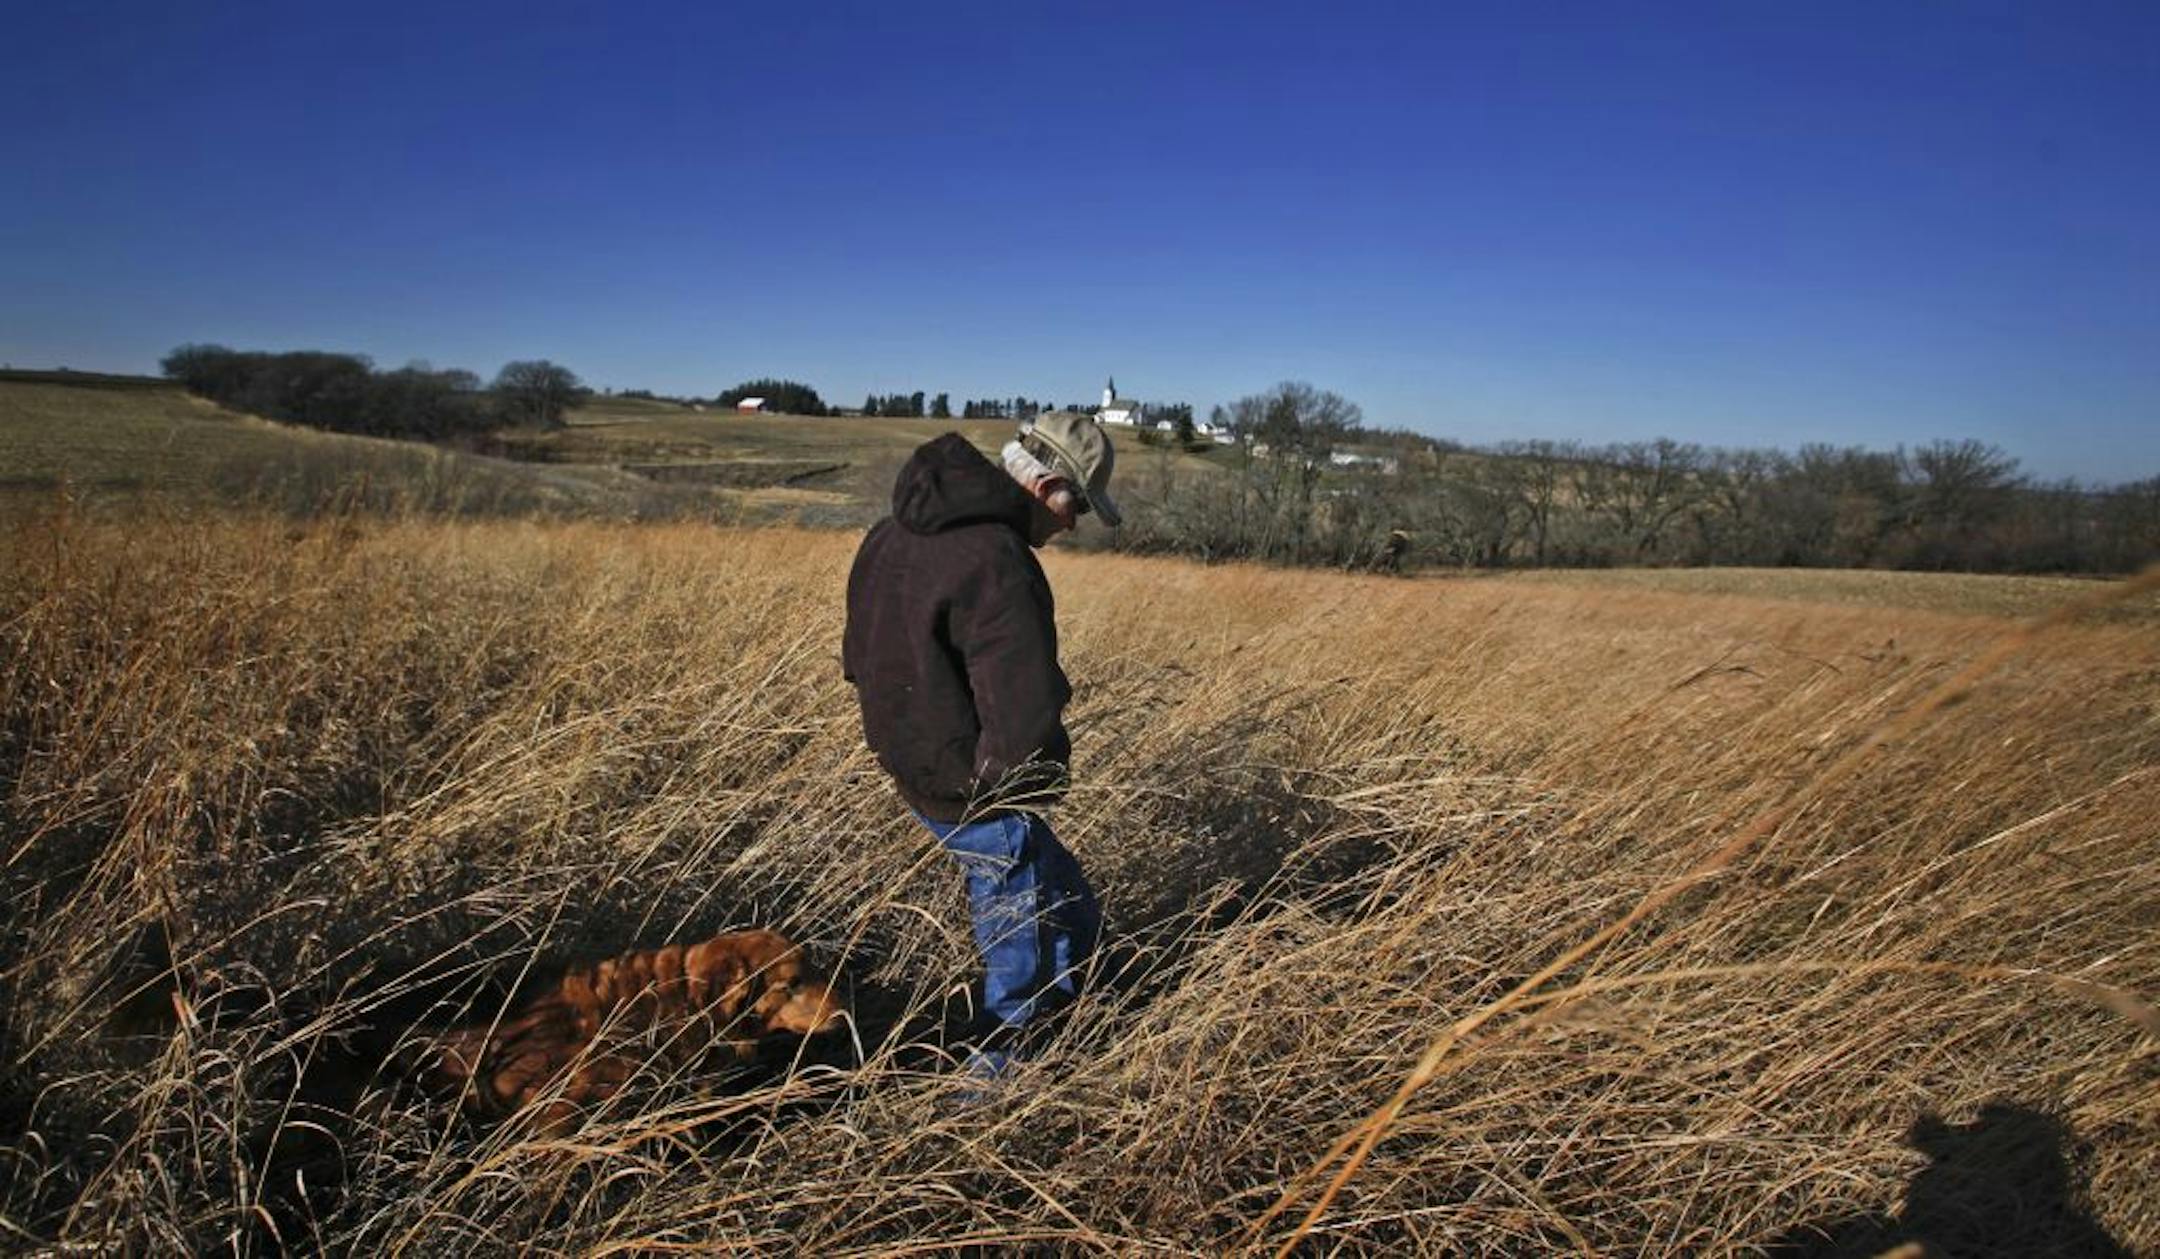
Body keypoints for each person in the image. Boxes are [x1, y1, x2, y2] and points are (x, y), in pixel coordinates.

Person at [842, 412, 1121, 1075]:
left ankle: (1088, 1001)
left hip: (917, 772)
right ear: (1047, 483)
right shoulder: (1000, 560)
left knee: (1067, 895)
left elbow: (856, 654)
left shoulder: (890, 532)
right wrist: (1015, 785)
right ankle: (991, 1091)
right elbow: (1022, 717)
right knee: (1016, 946)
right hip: (976, 791)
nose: (1072, 522)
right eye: (1076, 502)